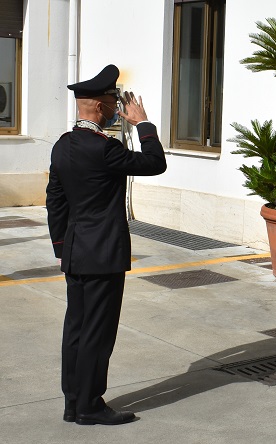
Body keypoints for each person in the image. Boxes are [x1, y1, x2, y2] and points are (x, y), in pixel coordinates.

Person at [46, 64, 167, 425]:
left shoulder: (63, 145)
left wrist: (61, 246)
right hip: (103, 256)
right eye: (114, 103)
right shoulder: (105, 149)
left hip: (76, 251)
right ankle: (90, 406)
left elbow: (55, 201)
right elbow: (155, 163)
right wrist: (143, 124)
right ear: (100, 107)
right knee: (98, 334)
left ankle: (73, 402)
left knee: (77, 330)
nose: (118, 108)